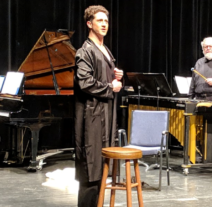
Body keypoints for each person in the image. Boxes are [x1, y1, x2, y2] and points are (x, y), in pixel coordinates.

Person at [74, 5, 123, 207]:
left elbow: (103, 76)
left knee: (102, 169)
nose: (104, 24)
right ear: (89, 23)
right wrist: (111, 86)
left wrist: (115, 75)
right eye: (99, 20)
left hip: (105, 115)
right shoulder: (85, 51)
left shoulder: (105, 49)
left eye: (106, 21)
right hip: (91, 117)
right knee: (91, 169)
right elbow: (85, 82)